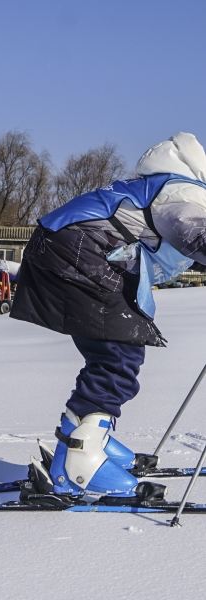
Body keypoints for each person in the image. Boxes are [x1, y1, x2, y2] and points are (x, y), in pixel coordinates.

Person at [10, 131, 206, 501]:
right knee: (119, 354)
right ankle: (80, 462)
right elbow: (192, 231)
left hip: (63, 249)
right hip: (83, 253)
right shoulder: (182, 191)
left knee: (110, 353)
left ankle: (85, 439)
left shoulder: (152, 186)